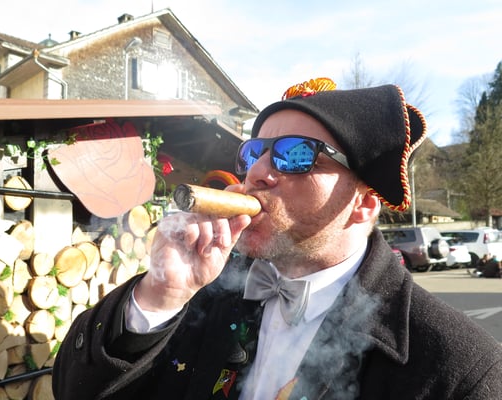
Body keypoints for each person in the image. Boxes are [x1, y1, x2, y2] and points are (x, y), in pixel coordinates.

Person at [52, 78, 502, 399]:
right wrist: (160, 296)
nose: (258, 173)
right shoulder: (203, 293)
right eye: (255, 153)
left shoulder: (461, 367)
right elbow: (75, 391)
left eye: (296, 155)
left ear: (363, 204)